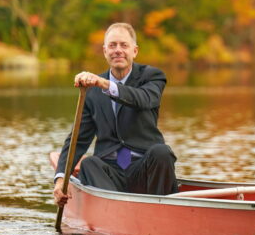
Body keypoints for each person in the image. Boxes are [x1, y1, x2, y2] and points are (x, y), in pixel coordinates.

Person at [53, 23, 177, 206]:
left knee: (162, 152)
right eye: (112, 46)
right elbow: (78, 139)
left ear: (134, 51)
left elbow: (143, 99)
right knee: (89, 164)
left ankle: (162, 208)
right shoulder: (91, 91)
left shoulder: (152, 77)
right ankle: (116, 209)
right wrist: (60, 179)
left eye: (124, 45)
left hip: (144, 169)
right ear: (104, 51)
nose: (118, 50)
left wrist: (105, 85)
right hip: (110, 173)